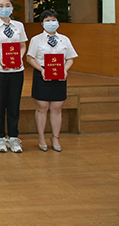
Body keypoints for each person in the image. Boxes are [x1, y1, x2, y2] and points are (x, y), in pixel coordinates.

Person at [26, 10, 78, 152]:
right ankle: (41, 137)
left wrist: (65, 69)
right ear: (42, 23)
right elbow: (30, 58)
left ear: (58, 22)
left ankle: (55, 138)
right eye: (47, 20)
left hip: (59, 74)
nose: (51, 23)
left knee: (56, 107)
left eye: (53, 20)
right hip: (42, 74)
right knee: (42, 107)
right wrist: (41, 70)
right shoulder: (36, 39)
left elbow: (70, 58)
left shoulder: (64, 39)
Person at [0, 0, 28, 153]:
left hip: (17, 71)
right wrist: (0, 58)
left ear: (12, 8)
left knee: (14, 104)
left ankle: (14, 137)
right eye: (1, 6)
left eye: (7, 5)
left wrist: (19, 57)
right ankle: (0, 138)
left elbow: (23, 45)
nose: (4, 8)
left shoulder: (19, 26)